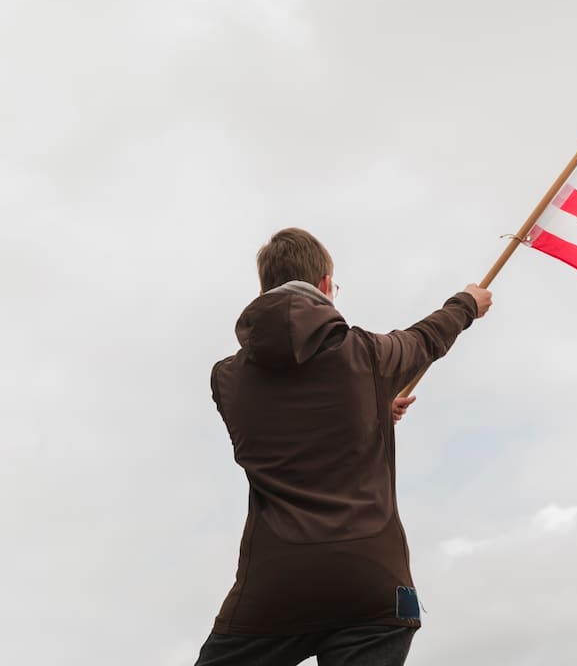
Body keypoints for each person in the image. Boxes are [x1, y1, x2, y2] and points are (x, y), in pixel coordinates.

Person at [194, 227, 492, 665]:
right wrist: (467, 304)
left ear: (262, 289)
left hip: (275, 586)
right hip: (372, 583)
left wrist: (371, 408)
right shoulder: (367, 355)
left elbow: (284, 431)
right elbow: (427, 338)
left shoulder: (226, 379)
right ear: (326, 287)